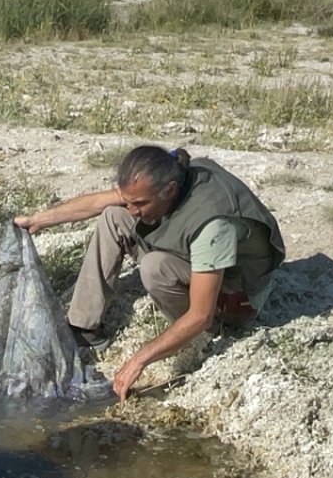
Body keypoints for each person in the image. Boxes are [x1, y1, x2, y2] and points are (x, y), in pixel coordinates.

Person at [14, 145, 285, 400]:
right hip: (194, 255)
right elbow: (98, 203)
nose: (132, 210)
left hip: (236, 290)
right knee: (112, 216)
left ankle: (205, 336)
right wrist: (40, 219)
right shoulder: (166, 174)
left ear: (169, 190)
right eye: (130, 201)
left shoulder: (212, 224)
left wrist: (139, 359)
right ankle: (84, 328)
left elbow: (200, 314)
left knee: (155, 268)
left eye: (140, 204)